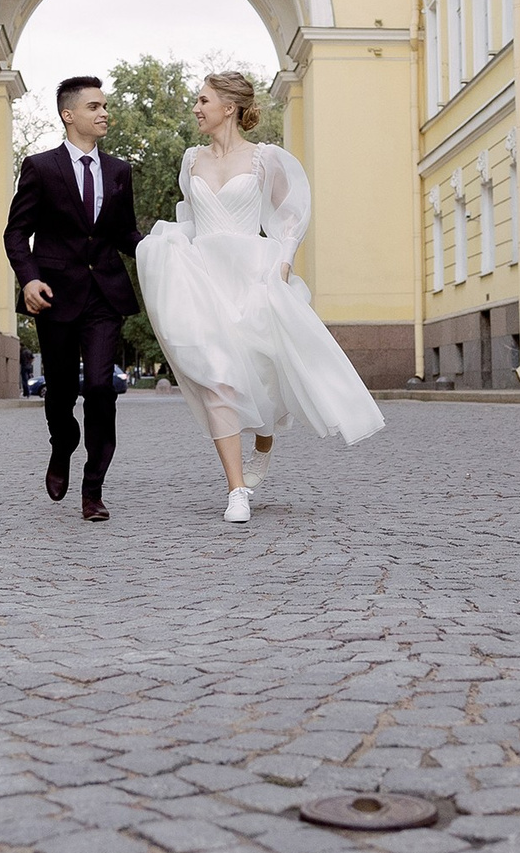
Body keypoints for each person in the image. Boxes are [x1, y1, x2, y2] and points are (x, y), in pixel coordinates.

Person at [134, 71, 383, 523]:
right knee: (218, 377)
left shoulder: (265, 159)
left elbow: (291, 214)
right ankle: (236, 490)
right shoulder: (191, 160)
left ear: (228, 107)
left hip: (252, 274)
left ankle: (264, 440)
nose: (196, 107)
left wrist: (283, 263)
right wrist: (169, 246)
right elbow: (191, 214)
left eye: (203, 100)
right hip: (205, 279)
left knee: (264, 374)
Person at [4, 75, 139, 522]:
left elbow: (124, 234)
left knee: (101, 387)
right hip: (55, 295)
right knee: (60, 392)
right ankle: (62, 445)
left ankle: (93, 488)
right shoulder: (40, 168)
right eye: (94, 107)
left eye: (105, 106)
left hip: (105, 295)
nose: (104, 113)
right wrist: (28, 280)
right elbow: (17, 231)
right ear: (69, 114)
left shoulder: (120, 171)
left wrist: (168, 250)